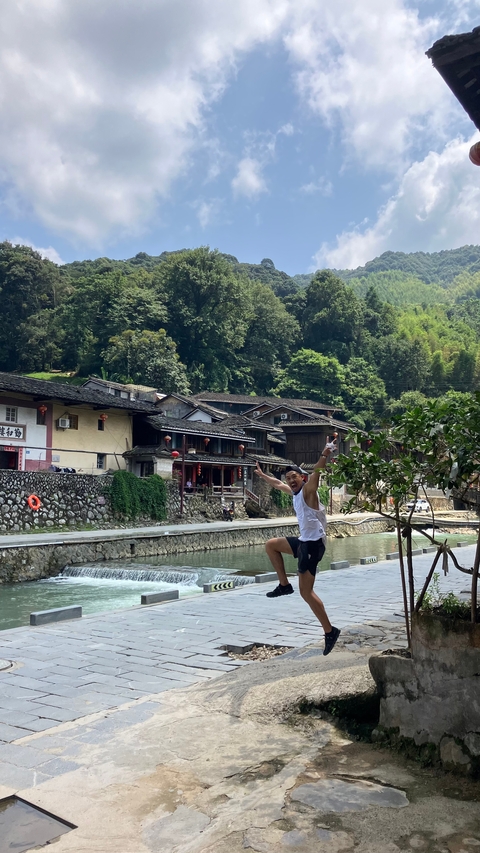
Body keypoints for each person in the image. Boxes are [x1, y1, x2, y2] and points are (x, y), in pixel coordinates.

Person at [254, 439, 340, 656]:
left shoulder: (308, 491)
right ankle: (284, 584)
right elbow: (276, 484)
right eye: (288, 478)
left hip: (314, 544)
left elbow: (317, 474)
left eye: (294, 477)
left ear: (303, 478)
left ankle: (330, 631)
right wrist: (264, 476)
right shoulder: (293, 492)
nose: (290, 480)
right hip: (304, 541)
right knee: (271, 545)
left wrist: (324, 453)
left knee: (306, 592)